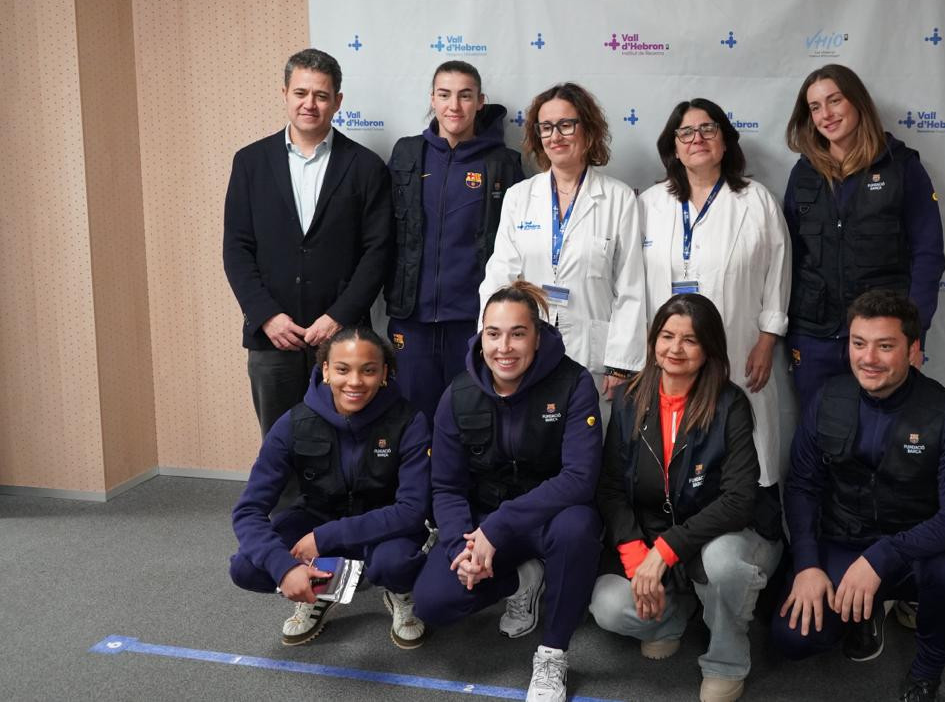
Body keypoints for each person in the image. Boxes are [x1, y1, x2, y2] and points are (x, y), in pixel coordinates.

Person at [771, 290, 945, 702]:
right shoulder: (827, 398)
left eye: (885, 346)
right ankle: (866, 610)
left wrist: (881, 557)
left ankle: (926, 671)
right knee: (792, 639)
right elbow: (802, 486)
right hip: (843, 542)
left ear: (913, 350)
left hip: (915, 551)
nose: (868, 358)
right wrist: (807, 564)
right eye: (859, 343)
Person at [414, 281, 603, 702]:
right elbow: (446, 486)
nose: (505, 347)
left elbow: (579, 478)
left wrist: (497, 528)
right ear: (481, 338)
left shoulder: (573, 383)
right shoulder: (457, 395)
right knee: (432, 603)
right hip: (483, 523)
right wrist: (460, 548)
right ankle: (523, 579)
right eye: (494, 334)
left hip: (549, 517)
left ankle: (553, 653)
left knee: (578, 528)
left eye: (518, 334)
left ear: (537, 337)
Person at [591, 294, 783, 702]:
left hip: (730, 536)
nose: (675, 348)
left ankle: (726, 660)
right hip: (659, 538)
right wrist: (637, 557)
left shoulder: (731, 404)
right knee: (607, 605)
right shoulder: (628, 400)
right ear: (653, 341)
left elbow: (738, 501)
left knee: (723, 564)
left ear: (709, 348)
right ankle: (673, 617)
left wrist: (665, 550)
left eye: (690, 340)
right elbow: (610, 488)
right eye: (667, 336)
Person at [223, 48, 393, 436]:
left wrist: (338, 317)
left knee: (346, 441)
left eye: (321, 95)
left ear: (338, 101)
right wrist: (267, 315)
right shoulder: (250, 162)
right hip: (272, 337)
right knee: (280, 443)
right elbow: (236, 248)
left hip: (343, 338)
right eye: (301, 93)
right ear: (284, 93)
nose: (310, 104)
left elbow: (378, 251)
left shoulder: (366, 167)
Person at [229, 326, 431, 649]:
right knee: (246, 568)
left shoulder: (409, 421)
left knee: (396, 563)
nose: (355, 381)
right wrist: (284, 568)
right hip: (315, 520)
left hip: (381, 530)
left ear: (384, 374)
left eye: (368, 370)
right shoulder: (293, 423)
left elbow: (411, 511)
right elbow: (248, 510)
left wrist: (325, 538)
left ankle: (399, 593)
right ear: (325, 370)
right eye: (342, 369)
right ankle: (318, 590)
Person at [638, 97, 793, 489]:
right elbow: (631, 283)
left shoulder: (756, 200)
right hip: (668, 353)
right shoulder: (649, 205)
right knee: (674, 457)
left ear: (725, 141)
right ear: (673, 147)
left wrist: (767, 340)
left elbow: (779, 271)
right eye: (686, 132)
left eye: (708, 129)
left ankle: (749, 509)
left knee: (743, 453)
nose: (698, 138)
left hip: (739, 347)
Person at [783, 64, 945, 405]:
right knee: (820, 430)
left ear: (857, 102)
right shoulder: (803, 174)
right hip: (815, 336)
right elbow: (789, 258)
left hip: (884, 336)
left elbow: (928, 255)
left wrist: (914, 333)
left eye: (835, 101)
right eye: (815, 107)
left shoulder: (902, 167)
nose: (826, 115)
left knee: (886, 431)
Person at [478, 82, 645, 401]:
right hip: (526, 350)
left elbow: (631, 288)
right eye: (546, 127)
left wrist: (621, 363)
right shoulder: (519, 196)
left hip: (592, 354)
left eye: (566, 125)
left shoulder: (618, 198)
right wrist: (489, 342)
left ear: (588, 130)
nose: (555, 136)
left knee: (587, 428)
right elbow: (499, 277)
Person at [385, 60, 523, 422]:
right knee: (413, 420)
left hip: (473, 319)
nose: (454, 106)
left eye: (465, 96)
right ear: (432, 99)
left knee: (473, 418)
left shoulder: (503, 163)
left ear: (480, 101)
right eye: (444, 95)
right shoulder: (407, 154)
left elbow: (516, 245)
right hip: (412, 319)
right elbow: (383, 234)